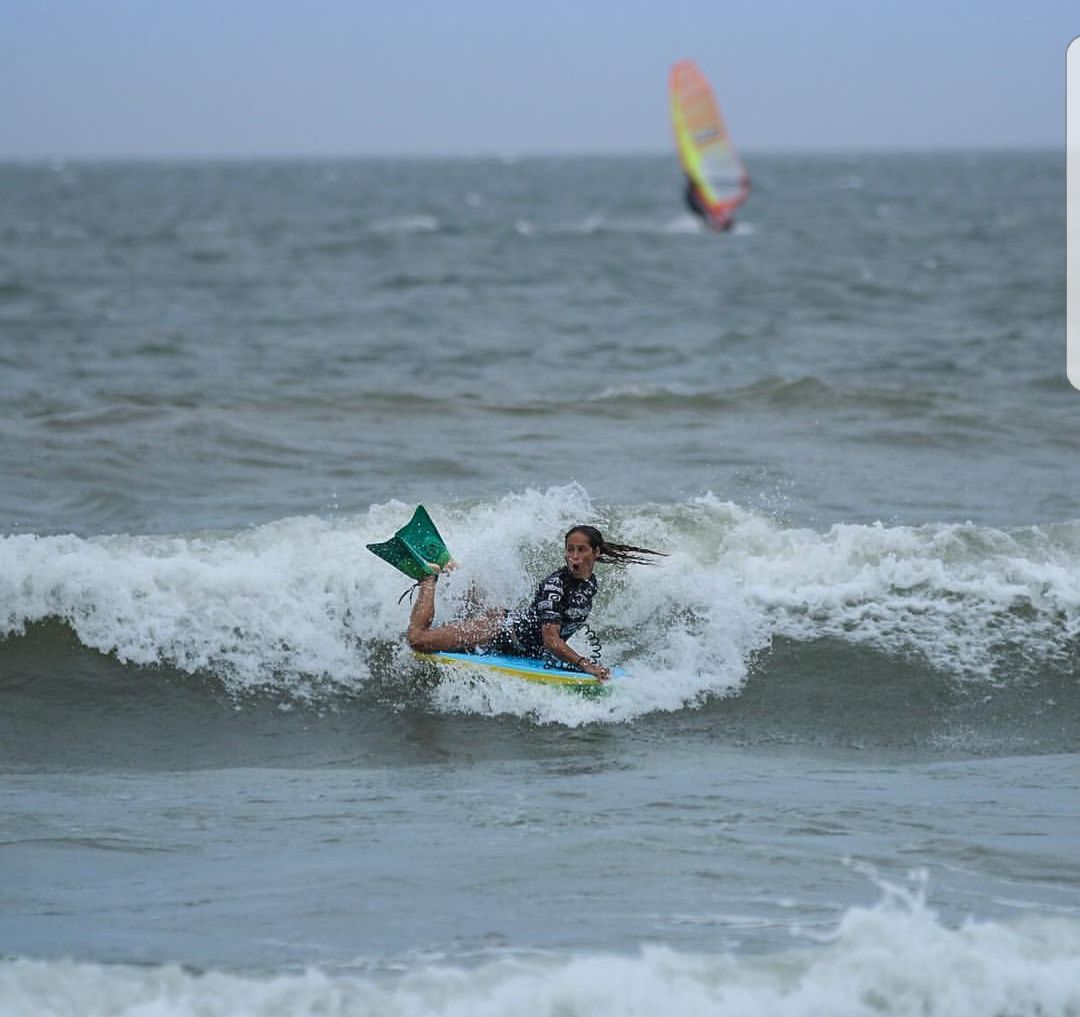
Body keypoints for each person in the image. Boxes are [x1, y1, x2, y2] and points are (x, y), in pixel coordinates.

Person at [406, 525, 665, 682]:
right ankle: (429, 578)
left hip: (514, 628)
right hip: (497, 632)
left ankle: (452, 567)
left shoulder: (590, 582)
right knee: (418, 639)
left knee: (482, 609)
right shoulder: (555, 587)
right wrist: (584, 664)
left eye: (581, 550)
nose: (574, 557)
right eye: (570, 549)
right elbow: (551, 640)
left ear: (596, 552)